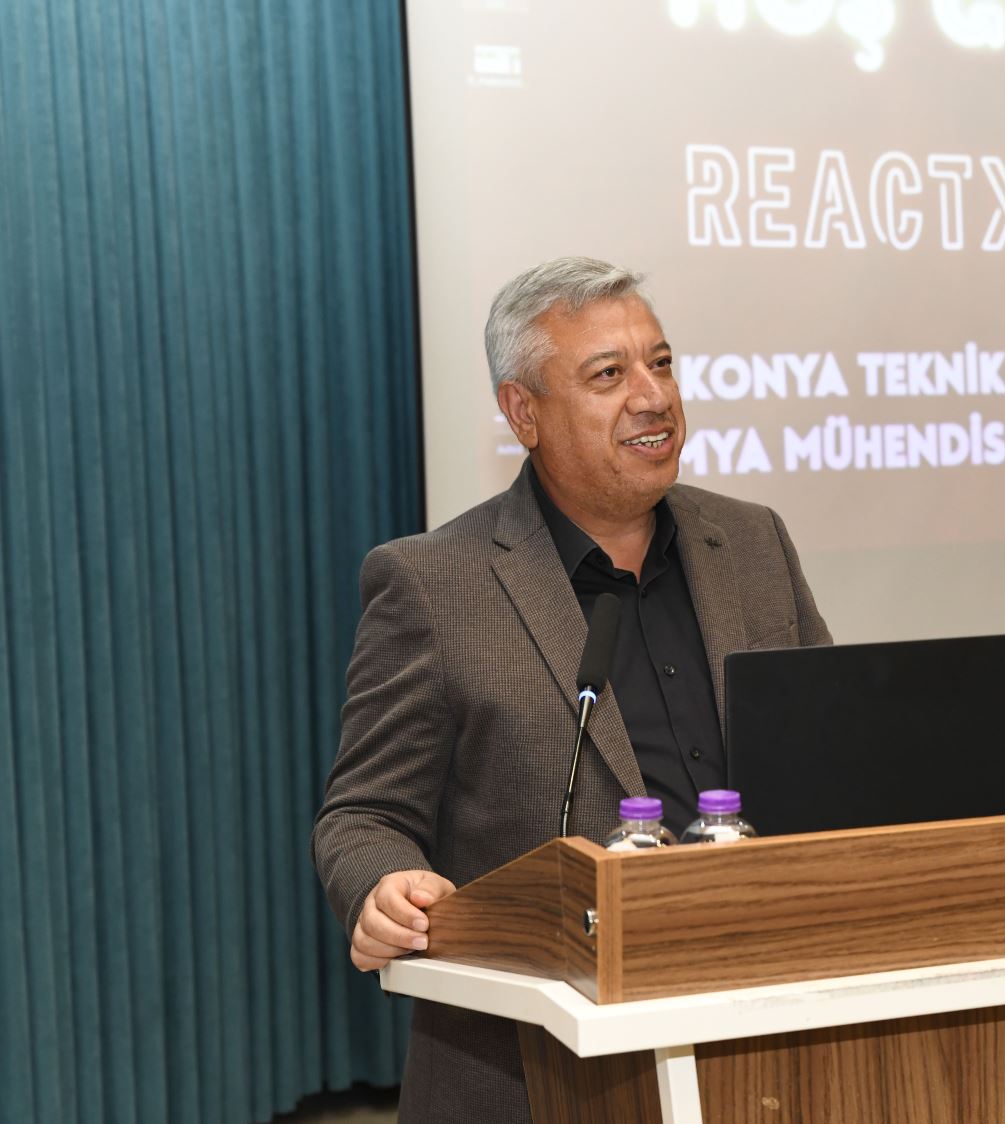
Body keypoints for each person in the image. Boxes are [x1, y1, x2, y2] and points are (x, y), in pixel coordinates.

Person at [312, 258, 831, 1122]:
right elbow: (363, 815)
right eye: (608, 375)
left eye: (661, 364)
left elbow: (834, 755)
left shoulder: (751, 543)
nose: (653, 397)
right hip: (536, 1069)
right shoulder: (434, 585)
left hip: (768, 1043)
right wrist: (384, 883)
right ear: (524, 413)